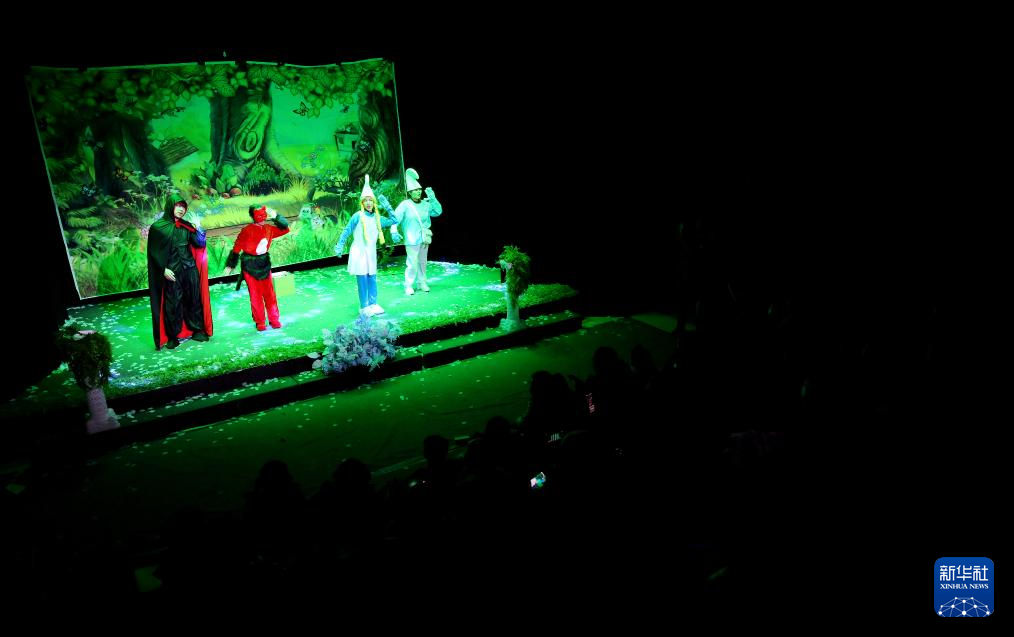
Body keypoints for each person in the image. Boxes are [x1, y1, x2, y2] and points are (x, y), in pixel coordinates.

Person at [147, 198, 212, 350]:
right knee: (173, 304)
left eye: (183, 206)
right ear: (170, 206)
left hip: (190, 269)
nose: (181, 209)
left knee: (194, 300)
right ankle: (172, 336)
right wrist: (163, 269)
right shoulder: (158, 227)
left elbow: (200, 243)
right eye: (177, 206)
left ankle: (197, 330)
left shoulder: (186, 226)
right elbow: (153, 253)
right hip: (172, 272)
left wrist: (198, 227)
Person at [334, 175, 397, 316]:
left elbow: (394, 220)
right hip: (359, 252)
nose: (368, 203)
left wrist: (388, 206)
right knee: (362, 279)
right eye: (366, 200)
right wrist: (340, 245)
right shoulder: (357, 216)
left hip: (371, 252)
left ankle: (373, 304)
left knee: (372, 277)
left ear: (374, 202)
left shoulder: (378, 218)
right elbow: (347, 231)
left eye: (370, 200)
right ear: (362, 203)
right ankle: (364, 306)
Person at [223, 205, 290, 331]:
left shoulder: (269, 228)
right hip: (250, 266)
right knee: (255, 295)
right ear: (253, 216)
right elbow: (237, 246)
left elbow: (285, 229)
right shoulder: (247, 230)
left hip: (264, 264)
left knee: (269, 294)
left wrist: (276, 216)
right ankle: (260, 321)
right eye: (259, 215)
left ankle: (274, 319)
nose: (263, 218)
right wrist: (230, 265)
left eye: (264, 215)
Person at [390, 168, 442, 295]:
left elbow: (438, 212)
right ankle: (408, 285)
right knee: (412, 263)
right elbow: (395, 218)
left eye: (419, 189)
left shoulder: (425, 204)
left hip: (424, 238)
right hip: (411, 238)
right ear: (410, 192)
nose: (418, 192)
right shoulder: (405, 204)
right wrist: (394, 230)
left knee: (423, 262)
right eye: (415, 190)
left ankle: (421, 282)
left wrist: (433, 198)